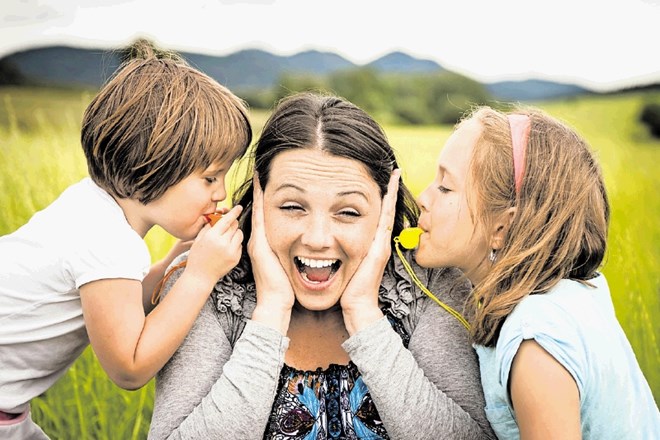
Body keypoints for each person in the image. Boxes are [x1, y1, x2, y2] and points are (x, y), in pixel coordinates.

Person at [148, 92, 496, 439]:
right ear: (259, 201)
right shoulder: (206, 283)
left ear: (385, 209)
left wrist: (364, 315)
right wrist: (270, 312)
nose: (317, 238)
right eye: (291, 207)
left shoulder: (428, 284)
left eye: (348, 212)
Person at [0, 42, 251, 438]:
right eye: (210, 177)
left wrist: (179, 257)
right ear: (155, 163)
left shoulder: (90, 209)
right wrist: (199, 276)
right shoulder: (107, 240)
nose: (220, 193)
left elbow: (123, 304)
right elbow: (130, 367)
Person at [413, 105, 660, 439]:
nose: (422, 198)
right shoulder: (573, 295)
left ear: (502, 227)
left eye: (445, 187)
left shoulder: (535, 342)